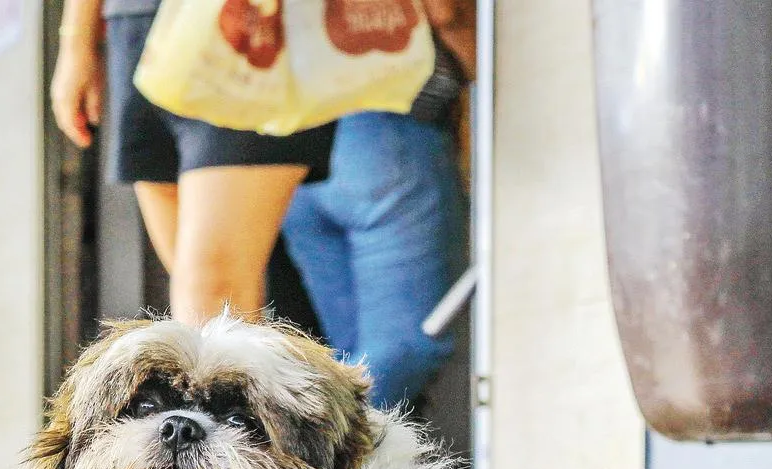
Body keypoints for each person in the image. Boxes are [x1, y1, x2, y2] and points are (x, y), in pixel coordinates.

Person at [51, 0, 336, 324]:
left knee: (211, 295)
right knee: (203, 300)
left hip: (250, 21)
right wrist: (76, 40)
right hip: (137, 23)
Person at [279, 1, 475, 408]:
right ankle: (331, 457)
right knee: (408, 347)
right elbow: (443, 11)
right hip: (388, 135)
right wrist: (482, 60)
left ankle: (352, 459)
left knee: (353, 359)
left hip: (299, 137)